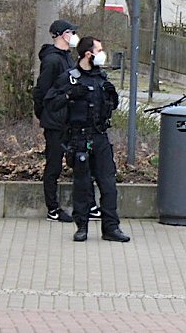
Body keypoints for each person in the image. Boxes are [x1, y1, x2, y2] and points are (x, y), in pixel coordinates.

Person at [44, 36, 130, 243]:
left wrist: (113, 97)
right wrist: (69, 96)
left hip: (100, 138)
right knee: (82, 186)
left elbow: (110, 107)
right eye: (99, 50)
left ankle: (111, 228)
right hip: (79, 138)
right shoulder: (70, 78)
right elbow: (50, 103)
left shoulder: (102, 78)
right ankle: (81, 226)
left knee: (108, 185)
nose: (102, 54)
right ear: (88, 54)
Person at [32, 20, 100, 223]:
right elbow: (42, 91)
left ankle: (90, 206)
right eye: (71, 32)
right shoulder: (52, 60)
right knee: (54, 164)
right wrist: (45, 114)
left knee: (80, 162)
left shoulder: (68, 58)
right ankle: (52, 208)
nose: (74, 36)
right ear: (63, 35)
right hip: (55, 122)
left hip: (71, 121)